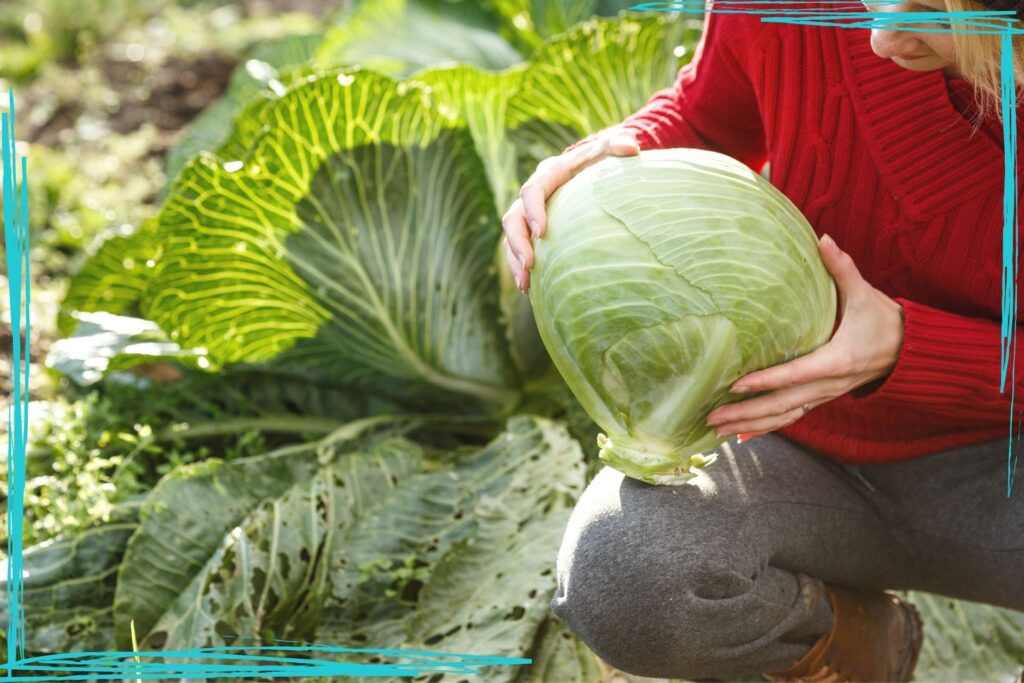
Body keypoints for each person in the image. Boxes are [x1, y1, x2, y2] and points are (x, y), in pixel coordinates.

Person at [501, 0, 1024, 680]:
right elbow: (706, 116)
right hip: (795, 437)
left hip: (997, 470)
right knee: (624, 575)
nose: (879, 37)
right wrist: (611, 160)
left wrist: (903, 345)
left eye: (931, 10)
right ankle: (862, 641)